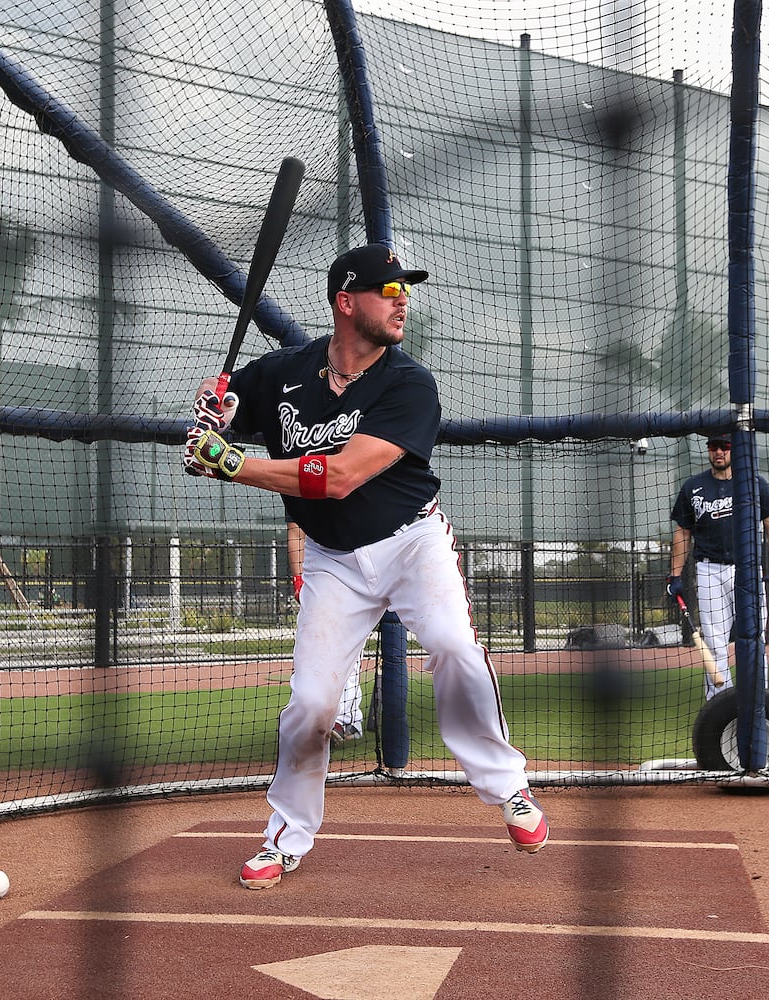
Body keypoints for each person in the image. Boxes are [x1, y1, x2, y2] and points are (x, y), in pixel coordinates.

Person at [183, 242, 548, 889]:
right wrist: (216, 413)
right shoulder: (282, 374)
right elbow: (230, 407)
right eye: (388, 290)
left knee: (453, 646)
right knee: (314, 705)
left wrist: (230, 463)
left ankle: (508, 788)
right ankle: (286, 837)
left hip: (412, 544)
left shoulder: (409, 385)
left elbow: (340, 476)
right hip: (333, 561)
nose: (401, 299)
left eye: (404, 290)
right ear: (346, 303)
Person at [667, 433, 769, 701]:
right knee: (716, 643)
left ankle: (758, 702)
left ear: (735, 450)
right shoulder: (693, 487)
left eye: (725, 446)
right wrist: (674, 574)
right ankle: (720, 707)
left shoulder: (753, 484)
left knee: (754, 639)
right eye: (713, 446)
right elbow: (682, 533)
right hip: (708, 570)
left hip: (747, 570)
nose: (718, 452)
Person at [287, 519, 363, 745]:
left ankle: (345, 719)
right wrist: (299, 581)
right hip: (323, 571)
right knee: (320, 649)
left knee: (343, 647)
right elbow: (295, 530)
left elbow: (295, 531)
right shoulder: (301, 488)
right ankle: (330, 719)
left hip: (361, 566)